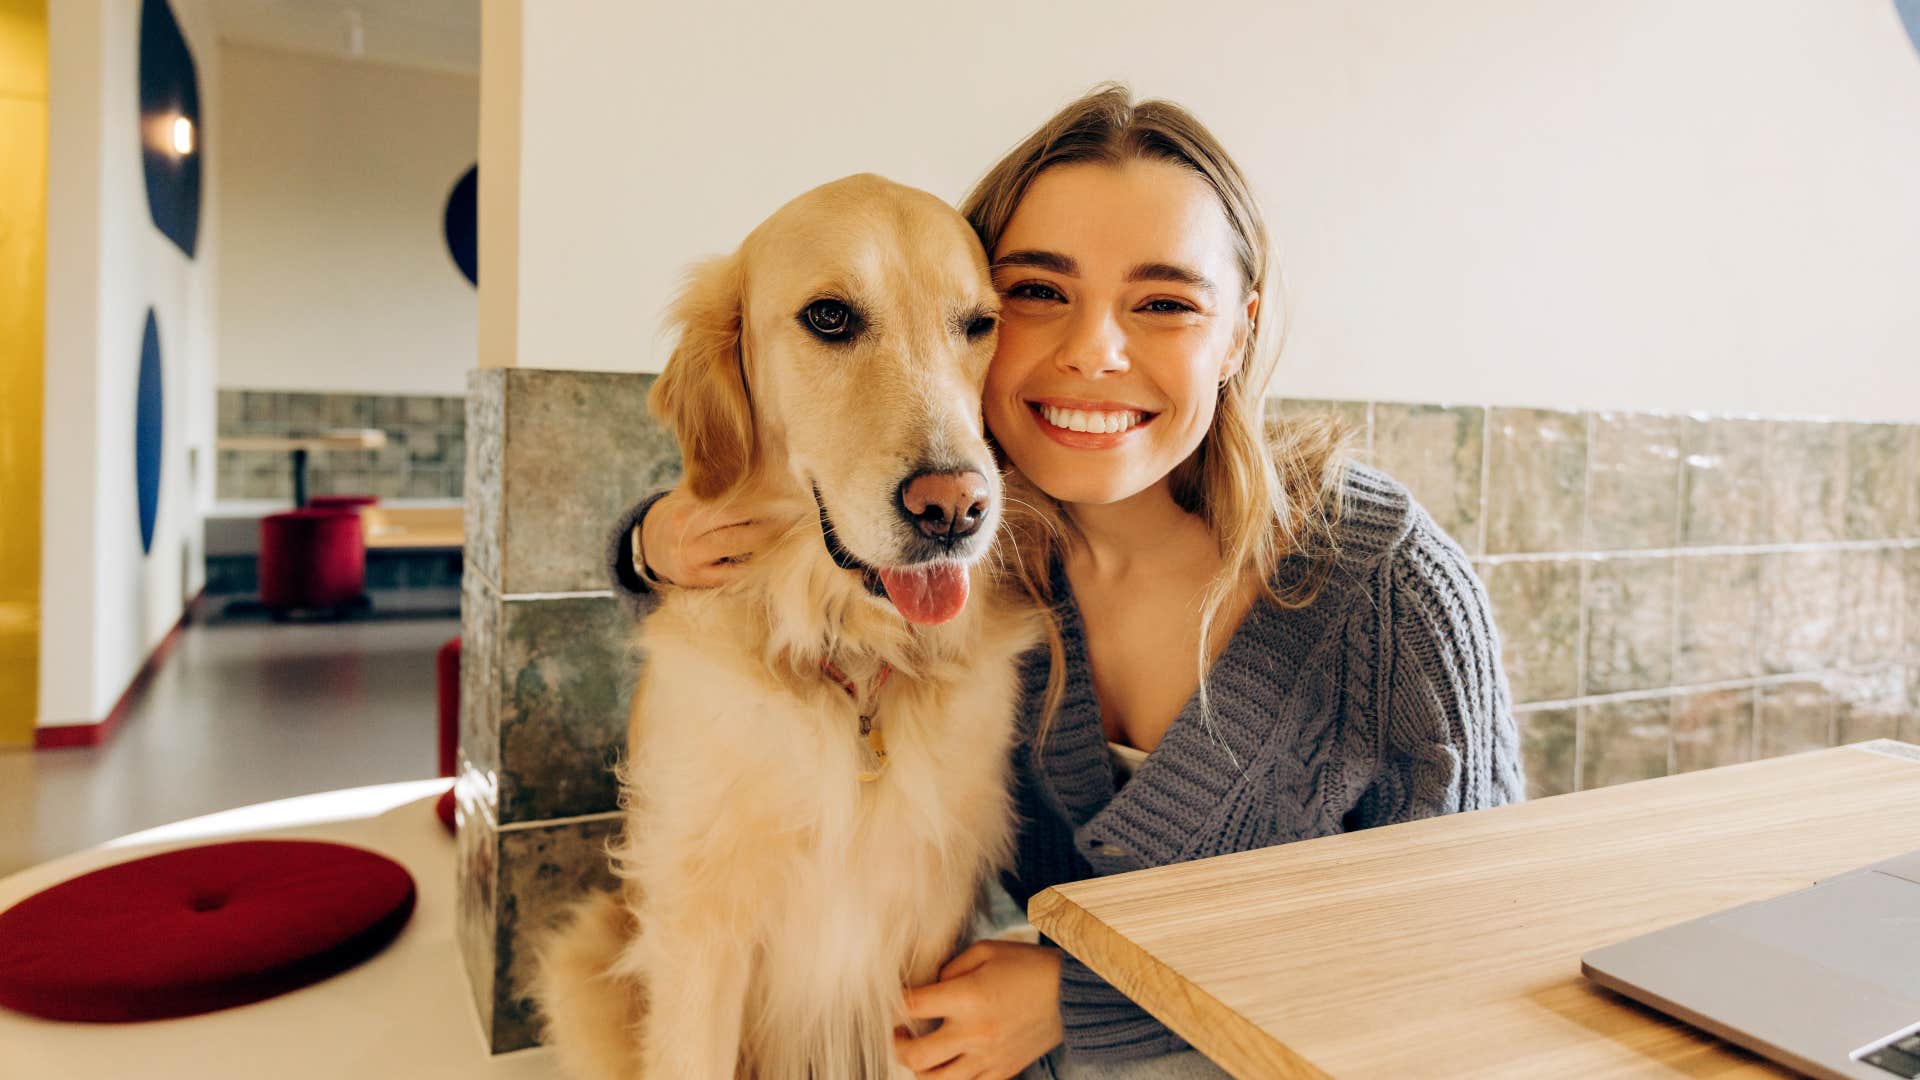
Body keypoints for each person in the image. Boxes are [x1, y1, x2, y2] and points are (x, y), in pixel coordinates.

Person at [606, 85, 1524, 1080]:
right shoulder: (979, 574)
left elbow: (1471, 943)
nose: (1093, 351)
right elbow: (756, 591)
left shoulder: (1382, 587)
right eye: (1039, 294)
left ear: (1239, 334)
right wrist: (643, 546)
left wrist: (1083, 999)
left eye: (1165, 302)